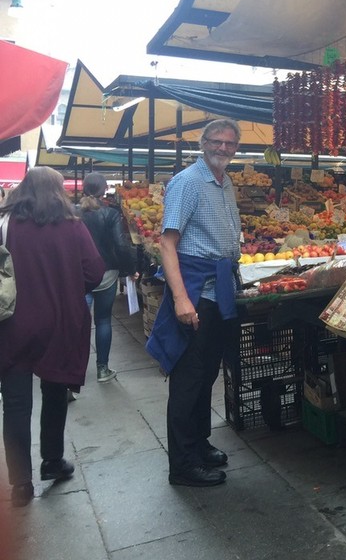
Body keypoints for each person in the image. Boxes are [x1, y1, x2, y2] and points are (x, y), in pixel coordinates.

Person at [0, 167, 106, 508]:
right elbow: (95, 272)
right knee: (55, 390)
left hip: (14, 324)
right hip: (60, 322)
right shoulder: (73, 227)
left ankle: (20, 483)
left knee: (15, 403)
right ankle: (52, 460)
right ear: (59, 191)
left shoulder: (5, 225)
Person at [146, 119, 242, 488]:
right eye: (216, 142)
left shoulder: (225, 182)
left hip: (219, 291)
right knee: (188, 379)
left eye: (229, 143)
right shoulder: (187, 183)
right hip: (196, 292)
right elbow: (167, 244)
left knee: (207, 375)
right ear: (202, 144)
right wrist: (182, 300)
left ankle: (199, 444)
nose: (223, 148)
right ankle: (182, 465)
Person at [78, 173, 138, 383]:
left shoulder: (73, 213)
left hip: (80, 275)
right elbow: (121, 246)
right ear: (103, 189)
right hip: (106, 272)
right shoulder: (111, 214)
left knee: (78, 322)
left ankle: (71, 372)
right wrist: (130, 269)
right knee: (103, 320)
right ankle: (102, 369)